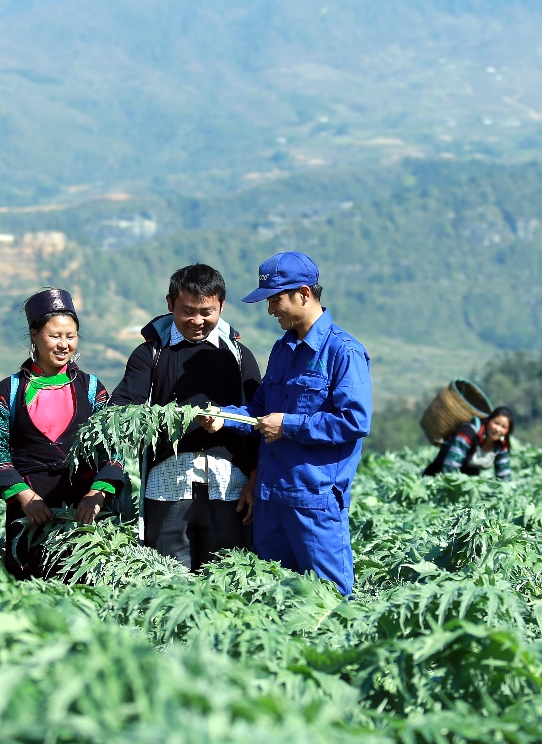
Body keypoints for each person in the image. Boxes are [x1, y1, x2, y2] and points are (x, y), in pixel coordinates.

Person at [200, 252, 372, 597]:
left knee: (328, 599)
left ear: (303, 294)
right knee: (274, 596)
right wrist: (225, 417)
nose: (270, 310)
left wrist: (290, 426)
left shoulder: (343, 352)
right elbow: (260, 410)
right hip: (271, 498)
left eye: (275, 300)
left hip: (314, 501)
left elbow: (354, 421)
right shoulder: (282, 350)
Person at [109, 264, 263, 570]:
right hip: (167, 485)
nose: (197, 321)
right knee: (168, 579)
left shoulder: (239, 355)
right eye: (187, 311)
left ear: (221, 306)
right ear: (170, 304)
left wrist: (255, 478)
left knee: (226, 579)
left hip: (229, 486)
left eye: (207, 312)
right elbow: (123, 407)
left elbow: (258, 416)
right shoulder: (150, 354)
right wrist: (166, 419)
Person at [0, 288, 127, 579]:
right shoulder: (8, 390)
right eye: (55, 336)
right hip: (29, 518)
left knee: (84, 591)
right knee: (28, 595)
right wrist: (24, 496)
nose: (64, 344)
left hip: (84, 518)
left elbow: (113, 446)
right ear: (34, 335)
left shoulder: (92, 388)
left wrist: (97, 493)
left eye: (70, 336)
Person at [423, 407, 514, 480]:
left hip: (468, 480)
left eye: (503, 427)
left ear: (508, 431)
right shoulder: (468, 432)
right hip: (438, 477)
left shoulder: (501, 444)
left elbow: (504, 475)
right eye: (496, 423)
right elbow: (451, 465)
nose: (498, 429)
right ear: (488, 421)